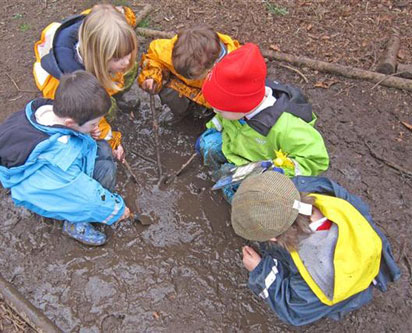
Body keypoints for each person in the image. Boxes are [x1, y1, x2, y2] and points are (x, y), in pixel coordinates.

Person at [231, 171, 401, 326]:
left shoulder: (317, 272)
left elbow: (293, 311)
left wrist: (261, 270)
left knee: (315, 300)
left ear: (274, 238)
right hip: (367, 252)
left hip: (342, 284)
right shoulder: (311, 189)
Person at [0, 71, 131, 246]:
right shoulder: (60, 159)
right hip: (46, 186)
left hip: (39, 168)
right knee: (106, 170)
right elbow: (85, 195)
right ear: (71, 123)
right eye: (94, 123)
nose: (97, 126)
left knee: (102, 147)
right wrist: (115, 210)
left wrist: (88, 132)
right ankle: (75, 223)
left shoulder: (46, 111)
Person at [196, 43, 329, 202]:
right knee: (208, 143)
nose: (216, 112)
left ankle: (238, 204)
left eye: (220, 109)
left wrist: (278, 171)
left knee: (242, 194)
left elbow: (316, 159)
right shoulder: (237, 103)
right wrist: (212, 128)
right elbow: (222, 118)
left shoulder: (286, 127)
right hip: (238, 146)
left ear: (242, 108)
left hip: (260, 165)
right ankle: (223, 172)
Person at [33, 4, 138, 159]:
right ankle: (110, 101)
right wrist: (112, 142)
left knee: (131, 68)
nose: (126, 61)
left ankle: (119, 94)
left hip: (99, 72)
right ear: (98, 59)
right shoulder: (71, 85)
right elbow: (91, 118)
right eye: (118, 58)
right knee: (105, 108)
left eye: (128, 53)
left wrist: (122, 13)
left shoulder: (101, 24)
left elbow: (113, 16)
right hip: (77, 90)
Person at [138, 25, 240, 123]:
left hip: (213, 100)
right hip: (183, 88)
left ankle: (212, 115)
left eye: (192, 76)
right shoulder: (172, 52)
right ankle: (183, 112)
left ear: (211, 69)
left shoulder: (234, 70)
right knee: (165, 87)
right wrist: (151, 77)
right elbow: (153, 58)